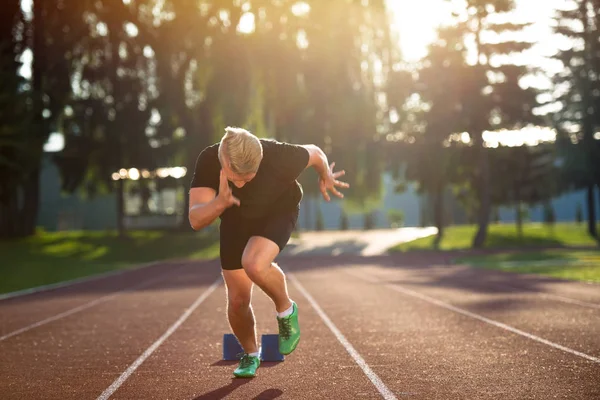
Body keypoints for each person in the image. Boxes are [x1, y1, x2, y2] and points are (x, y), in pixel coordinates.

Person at [188, 127, 349, 378]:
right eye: (236, 178)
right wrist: (219, 203)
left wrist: (325, 174)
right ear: (225, 161)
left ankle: (286, 309)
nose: (241, 183)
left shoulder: (281, 156)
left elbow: (316, 153)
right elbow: (196, 219)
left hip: (278, 211)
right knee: (238, 300)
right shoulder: (209, 160)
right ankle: (251, 354)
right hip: (235, 219)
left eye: (248, 178)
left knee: (253, 263)